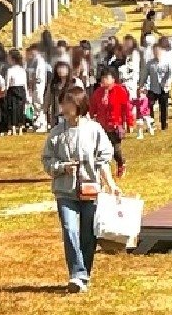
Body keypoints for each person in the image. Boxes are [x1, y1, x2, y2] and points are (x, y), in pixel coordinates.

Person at [41, 86, 120, 293]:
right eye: (63, 102)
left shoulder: (93, 130)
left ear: (78, 105)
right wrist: (61, 167)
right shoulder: (57, 132)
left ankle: (84, 273)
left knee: (88, 235)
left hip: (90, 190)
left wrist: (111, 184)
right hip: (64, 192)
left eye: (67, 102)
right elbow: (47, 161)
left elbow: (104, 159)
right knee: (70, 230)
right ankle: (77, 274)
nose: (63, 106)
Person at [89, 67, 132, 178]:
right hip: (101, 125)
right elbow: (93, 106)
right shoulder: (98, 92)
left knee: (115, 149)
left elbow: (126, 107)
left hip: (115, 125)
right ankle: (100, 170)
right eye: (102, 78)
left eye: (106, 78)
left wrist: (129, 122)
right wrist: (89, 117)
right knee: (99, 149)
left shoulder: (120, 90)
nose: (103, 80)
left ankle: (121, 164)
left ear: (113, 79)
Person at [141, 42, 172, 132]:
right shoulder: (150, 63)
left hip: (164, 89)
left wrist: (167, 82)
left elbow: (171, 74)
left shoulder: (167, 62)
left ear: (161, 51)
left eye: (157, 50)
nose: (156, 52)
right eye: (154, 51)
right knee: (149, 107)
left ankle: (164, 125)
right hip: (153, 88)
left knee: (163, 107)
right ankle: (151, 125)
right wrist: (142, 85)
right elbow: (145, 75)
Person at [3, 49, 29, 135]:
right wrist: (27, 95)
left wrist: (5, 92)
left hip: (12, 90)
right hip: (21, 90)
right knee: (20, 109)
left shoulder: (10, 70)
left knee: (12, 109)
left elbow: (7, 83)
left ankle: (13, 128)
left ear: (12, 59)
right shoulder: (22, 70)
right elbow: (25, 83)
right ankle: (20, 128)